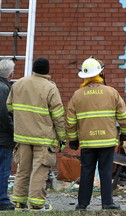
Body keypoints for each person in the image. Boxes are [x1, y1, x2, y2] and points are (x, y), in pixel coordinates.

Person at [66, 56, 126, 211]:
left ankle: (82, 204)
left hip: (87, 141)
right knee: (106, 171)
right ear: (100, 74)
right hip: (107, 140)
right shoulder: (111, 92)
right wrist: (125, 134)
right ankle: (107, 203)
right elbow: (123, 116)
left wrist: (73, 140)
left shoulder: (77, 95)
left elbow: (70, 121)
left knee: (86, 171)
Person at [6, 57, 66, 211]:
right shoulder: (50, 88)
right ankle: (37, 204)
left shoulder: (18, 84)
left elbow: (10, 107)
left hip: (22, 136)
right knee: (39, 170)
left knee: (22, 170)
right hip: (43, 138)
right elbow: (58, 116)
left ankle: (19, 202)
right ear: (47, 70)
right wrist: (62, 137)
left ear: (33, 68)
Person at [0, 59, 16, 211]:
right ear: (11, 74)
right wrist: (14, 131)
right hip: (3, 138)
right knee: (4, 170)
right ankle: (3, 200)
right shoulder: (4, 89)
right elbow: (5, 115)